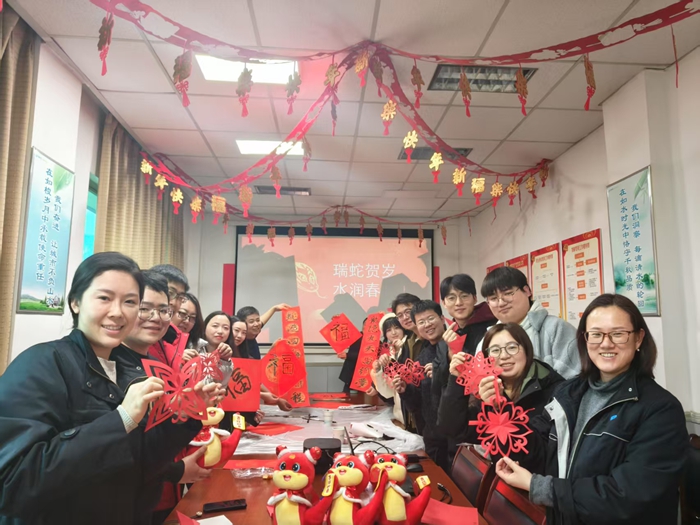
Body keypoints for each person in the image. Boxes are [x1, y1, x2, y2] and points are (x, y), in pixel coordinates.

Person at [0, 252, 220, 524]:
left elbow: (142, 465)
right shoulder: (41, 364)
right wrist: (121, 419)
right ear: (76, 302)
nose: (117, 312)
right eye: (104, 298)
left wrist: (186, 412)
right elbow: (12, 483)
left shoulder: (132, 371)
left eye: (129, 302)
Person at [494, 294, 688, 525]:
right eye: (596, 334)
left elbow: (626, 495)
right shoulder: (568, 392)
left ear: (638, 339)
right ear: (585, 339)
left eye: (618, 334)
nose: (606, 343)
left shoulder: (661, 410)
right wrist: (500, 411)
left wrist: (541, 487)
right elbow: (537, 448)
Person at [112, 271, 211, 525]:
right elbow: (117, 451)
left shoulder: (152, 360)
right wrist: (175, 471)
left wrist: (189, 409)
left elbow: (154, 440)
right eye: (145, 309)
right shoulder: (109, 366)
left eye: (164, 309)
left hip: (150, 494)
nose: (156, 318)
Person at [437, 323, 563, 446]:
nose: (504, 356)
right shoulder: (488, 388)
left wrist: (502, 407)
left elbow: (539, 447)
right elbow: (453, 429)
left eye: (512, 347)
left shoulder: (555, 390)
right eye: (495, 350)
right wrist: (457, 381)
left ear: (527, 350)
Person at [479, 266, 580, 379]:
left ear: (527, 291)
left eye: (508, 293)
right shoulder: (488, 338)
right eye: (493, 298)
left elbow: (574, 381)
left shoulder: (556, 328)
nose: (501, 303)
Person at [394, 300, 450, 471]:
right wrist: (405, 390)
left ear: (442, 318)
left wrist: (442, 373)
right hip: (432, 436)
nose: (427, 325)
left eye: (430, 319)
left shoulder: (455, 349)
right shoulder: (423, 356)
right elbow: (416, 404)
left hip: (454, 438)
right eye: (421, 322)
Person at [370, 313, 407, 424]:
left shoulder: (410, 345)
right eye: (389, 330)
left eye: (397, 328)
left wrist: (403, 350)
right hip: (399, 414)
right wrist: (378, 371)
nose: (394, 333)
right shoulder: (388, 353)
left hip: (410, 412)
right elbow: (388, 392)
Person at [390, 293, 423, 361]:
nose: (405, 318)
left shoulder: (431, 336)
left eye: (408, 312)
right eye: (400, 315)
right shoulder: (408, 342)